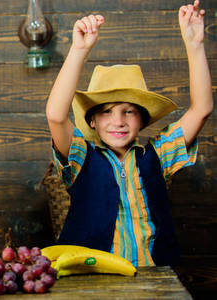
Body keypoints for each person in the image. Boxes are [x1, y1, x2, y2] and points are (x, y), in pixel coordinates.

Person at [45, 1, 212, 267]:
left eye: (129, 112)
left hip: (154, 278)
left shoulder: (159, 154)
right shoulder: (80, 157)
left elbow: (202, 109)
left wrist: (194, 45)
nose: (118, 121)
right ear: (92, 121)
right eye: (107, 112)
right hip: (90, 281)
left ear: (143, 119)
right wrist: (78, 50)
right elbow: (55, 115)